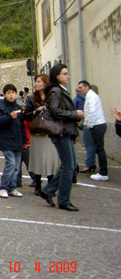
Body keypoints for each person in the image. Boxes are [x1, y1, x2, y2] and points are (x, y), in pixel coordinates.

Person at [39, 64, 84, 212]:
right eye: (65, 74)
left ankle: (48, 191)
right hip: (60, 132)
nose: (67, 76)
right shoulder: (55, 91)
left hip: (65, 131)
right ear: (57, 75)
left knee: (68, 165)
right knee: (69, 166)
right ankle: (63, 200)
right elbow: (55, 111)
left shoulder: (59, 90)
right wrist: (75, 114)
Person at [24, 74, 60, 195]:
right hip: (37, 131)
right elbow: (26, 115)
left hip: (50, 131)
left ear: (46, 83)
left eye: (39, 81)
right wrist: (36, 110)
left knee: (50, 158)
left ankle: (50, 185)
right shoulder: (31, 98)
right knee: (37, 158)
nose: (36, 84)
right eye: (36, 82)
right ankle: (38, 185)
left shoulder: (53, 97)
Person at [0, 84, 25, 199]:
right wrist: (9, 117)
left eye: (13, 93)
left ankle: (12, 188)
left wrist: (24, 140)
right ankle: (3, 187)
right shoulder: (0, 107)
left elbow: (21, 125)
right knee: (10, 164)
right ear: (5, 95)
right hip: (6, 140)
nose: (11, 95)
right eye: (8, 93)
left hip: (17, 140)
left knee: (16, 166)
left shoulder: (17, 106)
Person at [77, 81, 109, 181]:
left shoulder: (91, 96)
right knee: (99, 149)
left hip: (97, 125)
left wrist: (89, 126)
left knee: (99, 149)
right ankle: (102, 172)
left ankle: (103, 173)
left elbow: (91, 112)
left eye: (80, 87)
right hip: (97, 124)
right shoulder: (90, 96)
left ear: (87, 87)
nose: (79, 89)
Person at [74, 88, 95, 173]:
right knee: (90, 145)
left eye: (80, 88)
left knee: (88, 145)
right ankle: (90, 164)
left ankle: (89, 164)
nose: (78, 90)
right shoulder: (87, 98)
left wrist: (82, 121)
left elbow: (84, 112)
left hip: (86, 123)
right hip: (87, 122)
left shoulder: (82, 99)